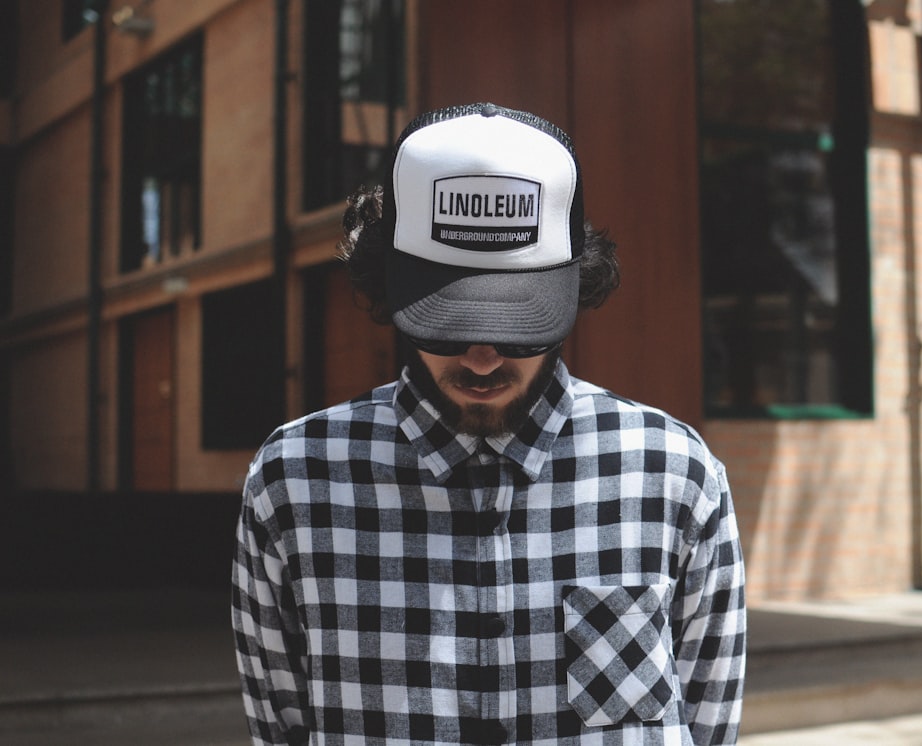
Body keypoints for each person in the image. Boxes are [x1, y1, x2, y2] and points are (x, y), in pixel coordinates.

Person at [232, 102, 746, 745]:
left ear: (572, 283)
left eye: (516, 322)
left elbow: (709, 725)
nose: (482, 355)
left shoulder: (672, 473)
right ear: (389, 287)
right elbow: (280, 726)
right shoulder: (294, 482)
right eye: (450, 321)